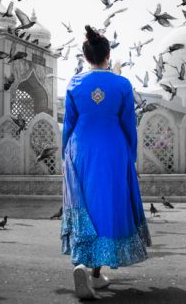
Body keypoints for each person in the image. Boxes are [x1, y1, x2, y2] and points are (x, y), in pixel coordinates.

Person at [61, 25, 151, 300]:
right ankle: (96, 275)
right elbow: (128, 124)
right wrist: (131, 157)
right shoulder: (122, 84)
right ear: (108, 55)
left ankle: (80, 263)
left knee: (82, 206)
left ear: (86, 57)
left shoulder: (74, 84)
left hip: (81, 149)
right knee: (107, 208)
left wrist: (66, 154)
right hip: (113, 149)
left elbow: (68, 124)